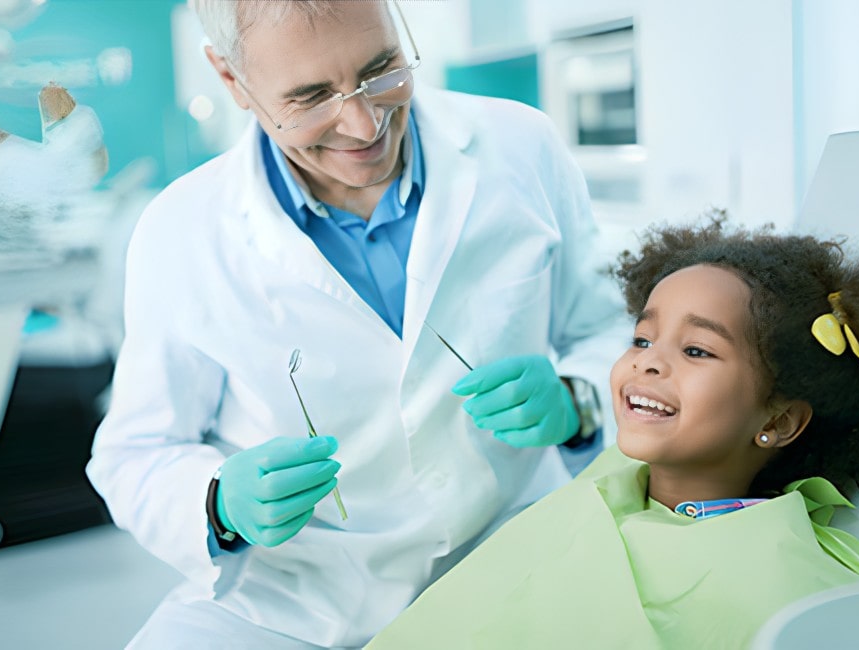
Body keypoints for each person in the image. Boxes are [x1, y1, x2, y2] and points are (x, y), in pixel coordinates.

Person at [85, 0, 627, 647]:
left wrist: (580, 398)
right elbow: (135, 454)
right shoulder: (181, 230)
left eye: (381, 70)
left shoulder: (521, 145)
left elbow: (609, 329)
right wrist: (219, 504)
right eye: (311, 97)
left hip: (513, 543)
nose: (364, 123)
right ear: (231, 79)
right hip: (297, 597)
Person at [366, 218, 859, 649]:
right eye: (641, 338)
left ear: (776, 422)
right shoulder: (613, 477)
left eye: (696, 350)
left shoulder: (777, 574)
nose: (646, 361)